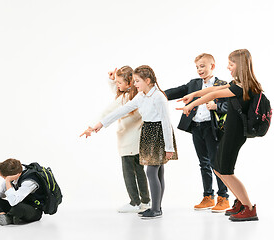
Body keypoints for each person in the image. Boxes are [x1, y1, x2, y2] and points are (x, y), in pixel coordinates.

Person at [177, 49, 261, 222]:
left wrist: (191, 105)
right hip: (229, 132)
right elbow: (215, 88)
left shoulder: (243, 87)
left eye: (231, 64)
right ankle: (240, 202)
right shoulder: (236, 83)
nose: (228, 67)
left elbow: (214, 94)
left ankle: (249, 208)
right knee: (218, 167)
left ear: (241, 65)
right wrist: (193, 94)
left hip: (235, 135)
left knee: (226, 171)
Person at [92, 65, 178, 219]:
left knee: (152, 172)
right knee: (158, 172)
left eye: (137, 81)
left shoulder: (158, 97)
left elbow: (166, 122)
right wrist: (101, 124)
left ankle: (156, 208)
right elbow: (121, 110)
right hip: (147, 133)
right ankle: (157, 206)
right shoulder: (141, 96)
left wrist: (169, 146)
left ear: (148, 80)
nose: (135, 84)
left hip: (158, 134)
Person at [165, 53, 230, 212]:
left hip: (212, 128)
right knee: (204, 163)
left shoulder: (222, 84)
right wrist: (157, 94)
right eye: (197, 67)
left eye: (202, 66)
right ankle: (208, 197)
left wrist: (217, 107)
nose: (199, 70)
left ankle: (224, 197)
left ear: (212, 66)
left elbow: (231, 106)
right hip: (196, 127)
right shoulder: (194, 84)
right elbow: (176, 91)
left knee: (216, 163)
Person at [80, 66, 150, 213]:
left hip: (128, 142)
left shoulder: (125, 98)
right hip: (137, 140)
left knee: (129, 172)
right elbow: (118, 91)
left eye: (119, 82)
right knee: (140, 171)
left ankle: (134, 202)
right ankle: (145, 201)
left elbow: (109, 111)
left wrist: (92, 126)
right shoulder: (135, 94)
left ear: (129, 83)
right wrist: (112, 80)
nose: (116, 85)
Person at [0, 158, 43, 225]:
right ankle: (3, 216)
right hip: (16, 203)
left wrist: (8, 181)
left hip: (32, 209)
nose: (4, 179)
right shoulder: (13, 174)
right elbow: (1, 192)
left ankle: (8, 217)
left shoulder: (29, 181)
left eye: (5, 178)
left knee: (18, 207)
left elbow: (13, 202)